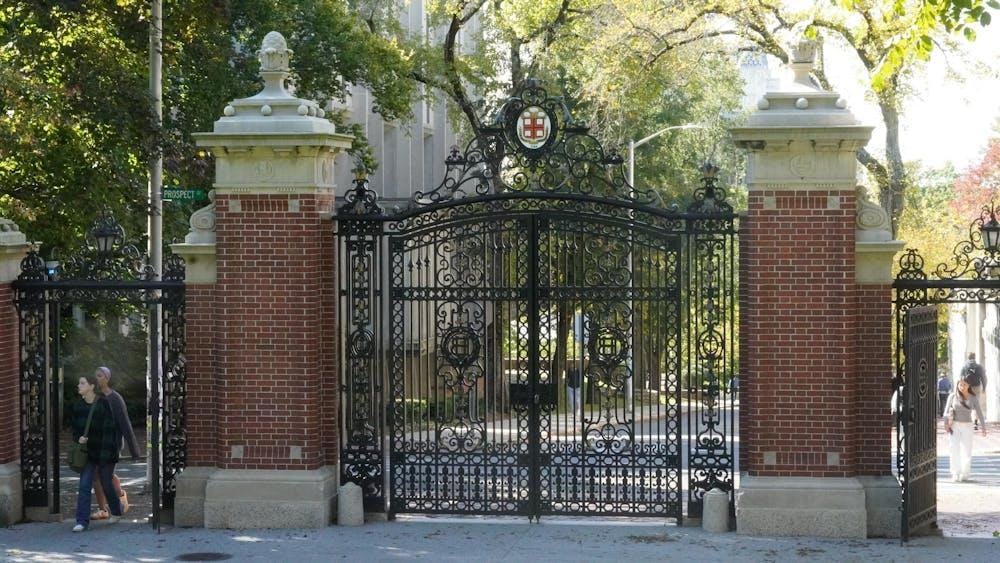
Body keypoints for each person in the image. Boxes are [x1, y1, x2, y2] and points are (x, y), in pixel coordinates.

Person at [71, 373, 123, 532]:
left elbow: (110, 430)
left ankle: (116, 510)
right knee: (84, 485)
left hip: (105, 450)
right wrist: (79, 439)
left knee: (106, 483)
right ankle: (81, 521)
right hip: (88, 453)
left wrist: (106, 455)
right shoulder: (78, 406)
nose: (79, 386)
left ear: (91, 386)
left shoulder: (103, 404)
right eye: (79, 383)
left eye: (82, 383)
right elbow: (75, 430)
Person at [91, 366, 140, 520]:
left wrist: (134, 450)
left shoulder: (115, 398)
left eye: (99, 375)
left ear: (107, 378)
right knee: (99, 476)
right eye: (96, 375)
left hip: (111, 445)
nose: (97, 378)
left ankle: (117, 509)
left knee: (105, 477)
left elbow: (125, 424)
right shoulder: (96, 397)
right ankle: (109, 506)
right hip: (97, 444)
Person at [943, 379, 988, 482]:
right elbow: (945, 412)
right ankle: (955, 473)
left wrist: (983, 427)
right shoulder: (952, 396)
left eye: (964, 385)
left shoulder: (973, 398)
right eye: (960, 385)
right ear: (957, 385)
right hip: (954, 425)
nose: (962, 387)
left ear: (968, 386)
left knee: (966, 450)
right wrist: (946, 423)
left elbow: (980, 413)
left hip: (967, 426)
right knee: (954, 449)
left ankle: (965, 473)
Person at [959, 353, 988, 429]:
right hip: (977, 387)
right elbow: (984, 378)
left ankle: (966, 422)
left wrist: (961, 389)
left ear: (968, 358)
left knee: (966, 404)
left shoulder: (964, 367)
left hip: (967, 387)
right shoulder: (979, 367)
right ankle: (975, 423)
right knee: (976, 405)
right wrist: (984, 388)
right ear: (975, 358)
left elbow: (961, 378)